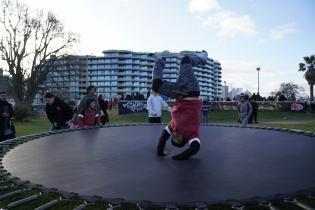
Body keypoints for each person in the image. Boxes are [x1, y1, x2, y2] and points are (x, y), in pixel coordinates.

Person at [150, 50, 208, 160]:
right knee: (185, 60)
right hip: (191, 89)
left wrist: (160, 152)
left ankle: (160, 61)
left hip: (179, 93)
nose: (175, 135)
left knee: (155, 86)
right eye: (178, 138)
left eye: (174, 136)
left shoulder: (174, 126)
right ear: (184, 140)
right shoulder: (191, 134)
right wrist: (178, 157)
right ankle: (202, 59)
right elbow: (195, 148)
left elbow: (163, 137)